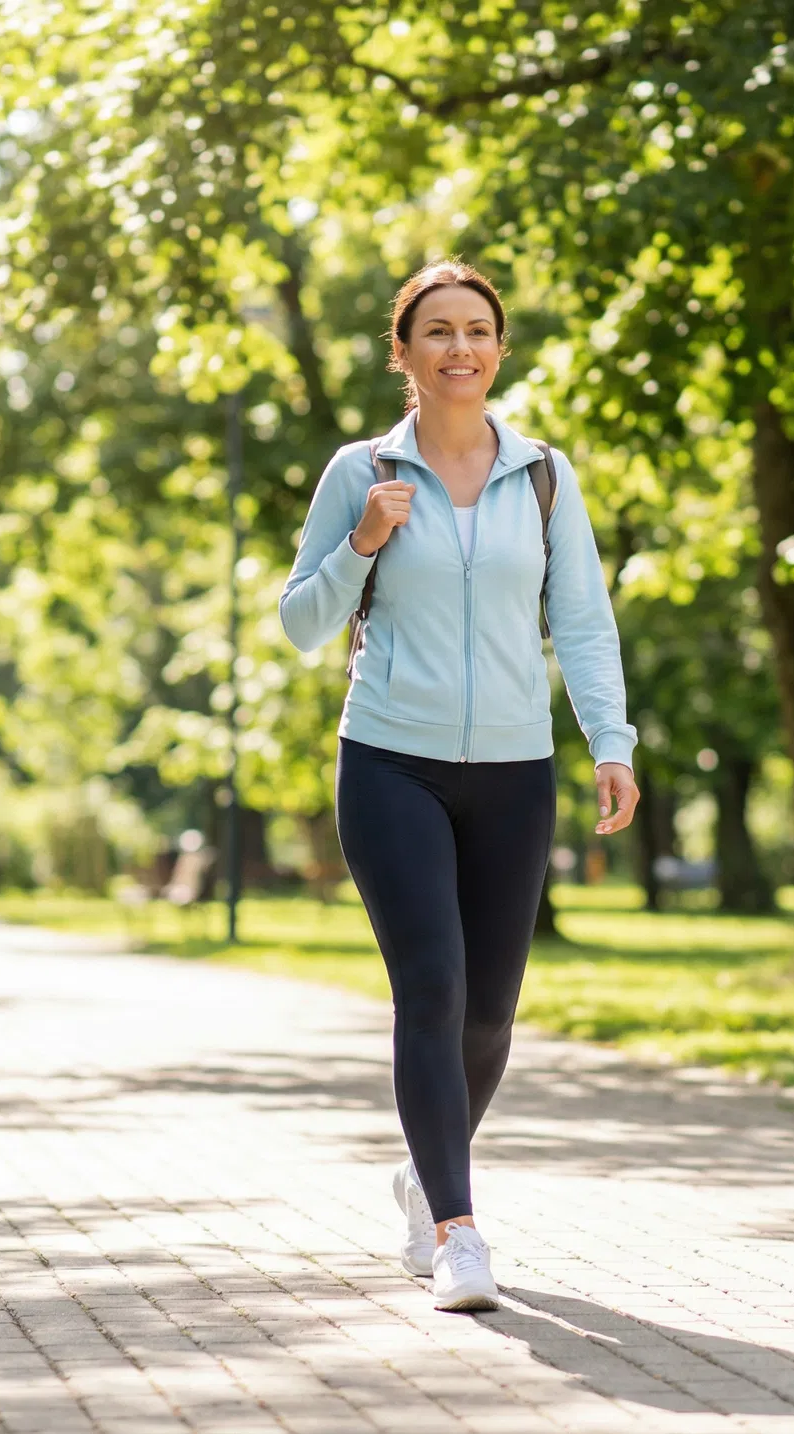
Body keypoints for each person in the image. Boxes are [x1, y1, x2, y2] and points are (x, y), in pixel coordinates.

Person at [279, 260, 640, 1311]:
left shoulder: (543, 476)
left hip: (516, 772)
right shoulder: (362, 471)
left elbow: (581, 619)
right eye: (435, 331)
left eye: (476, 330)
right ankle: (457, 1230)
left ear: (499, 346)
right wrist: (363, 543)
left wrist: (608, 741)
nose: (459, 349)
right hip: (391, 760)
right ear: (403, 352)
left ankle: (421, 1172)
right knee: (430, 990)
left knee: (490, 1017)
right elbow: (303, 624)